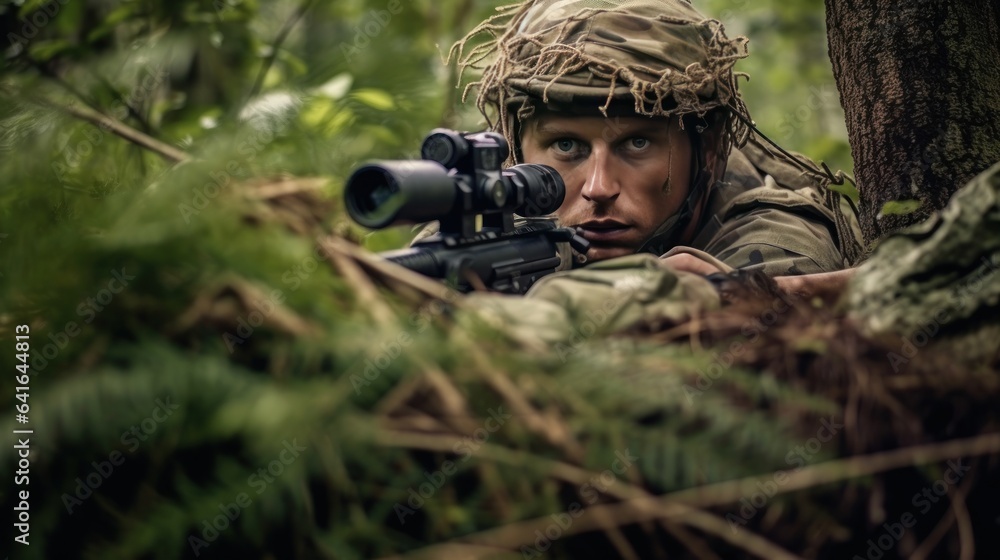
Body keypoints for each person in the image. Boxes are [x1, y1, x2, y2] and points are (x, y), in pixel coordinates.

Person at [448, 0, 863, 279]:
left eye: (637, 144)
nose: (599, 188)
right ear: (516, 146)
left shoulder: (780, 233)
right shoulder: (502, 210)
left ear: (710, 146)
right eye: (566, 146)